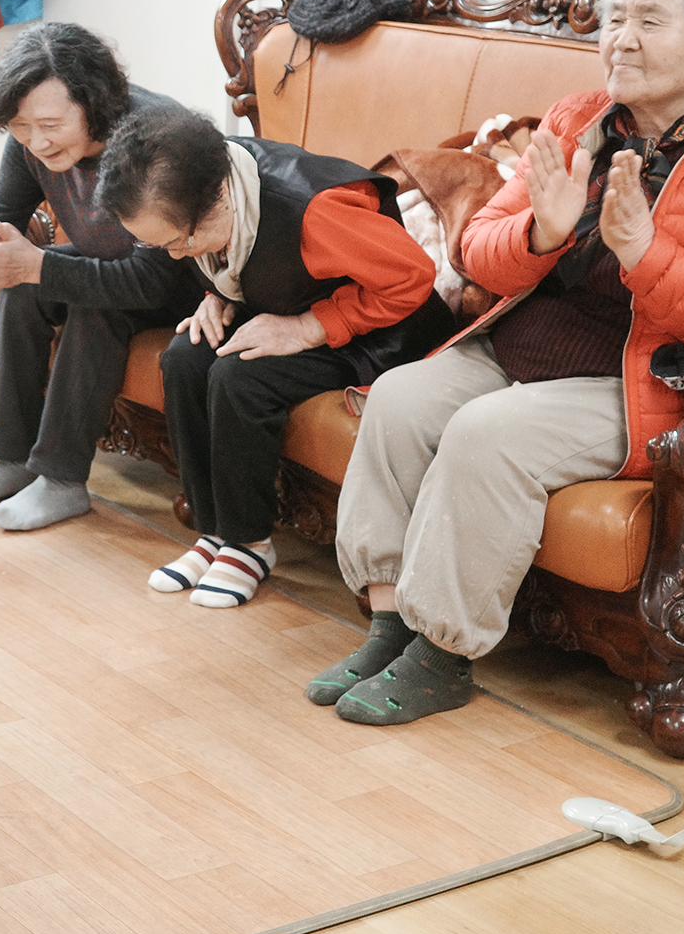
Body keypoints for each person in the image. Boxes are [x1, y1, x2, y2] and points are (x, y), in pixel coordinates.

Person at [314, 0, 684, 726]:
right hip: (522, 346)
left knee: (486, 433)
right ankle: (388, 624)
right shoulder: (578, 118)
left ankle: (443, 655)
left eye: (651, 19)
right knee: (401, 399)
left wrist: (648, 257)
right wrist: (540, 236)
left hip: (635, 380)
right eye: (615, 17)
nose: (622, 37)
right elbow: (479, 246)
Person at [95, 108, 456, 607]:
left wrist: (309, 328)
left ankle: (249, 542)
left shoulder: (316, 209)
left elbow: (412, 278)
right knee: (184, 357)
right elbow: (238, 258)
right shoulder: (198, 183)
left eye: (179, 242)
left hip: (381, 332)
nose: (176, 256)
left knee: (239, 377)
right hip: (290, 306)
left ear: (218, 199)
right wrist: (216, 295)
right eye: (159, 246)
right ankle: (214, 531)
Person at [0, 23, 206, 530]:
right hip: (117, 265)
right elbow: (0, 213)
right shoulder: (31, 133)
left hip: (188, 285)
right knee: (25, 286)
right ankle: (14, 460)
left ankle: (63, 481)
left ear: (93, 102)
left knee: (87, 298)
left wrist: (35, 263)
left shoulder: (156, 136)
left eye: (49, 124)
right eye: (20, 127)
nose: (36, 141)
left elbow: (150, 281)